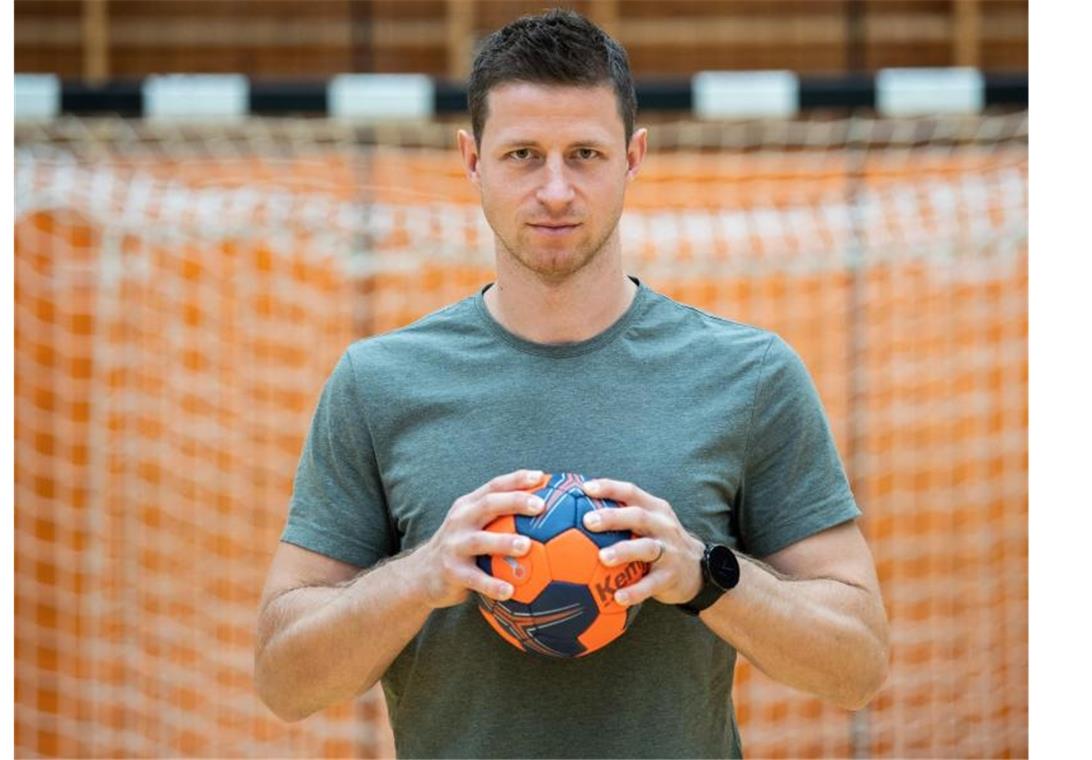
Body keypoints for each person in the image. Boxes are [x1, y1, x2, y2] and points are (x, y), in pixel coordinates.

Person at [254, 8, 889, 758]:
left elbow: (859, 663)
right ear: (471, 159)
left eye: (584, 154)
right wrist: (421, 575)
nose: (555, 190)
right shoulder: (379, 383)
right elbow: (283, 680)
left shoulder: (749, 376)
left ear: (633, 157)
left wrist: (705, 575)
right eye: (523, 154)